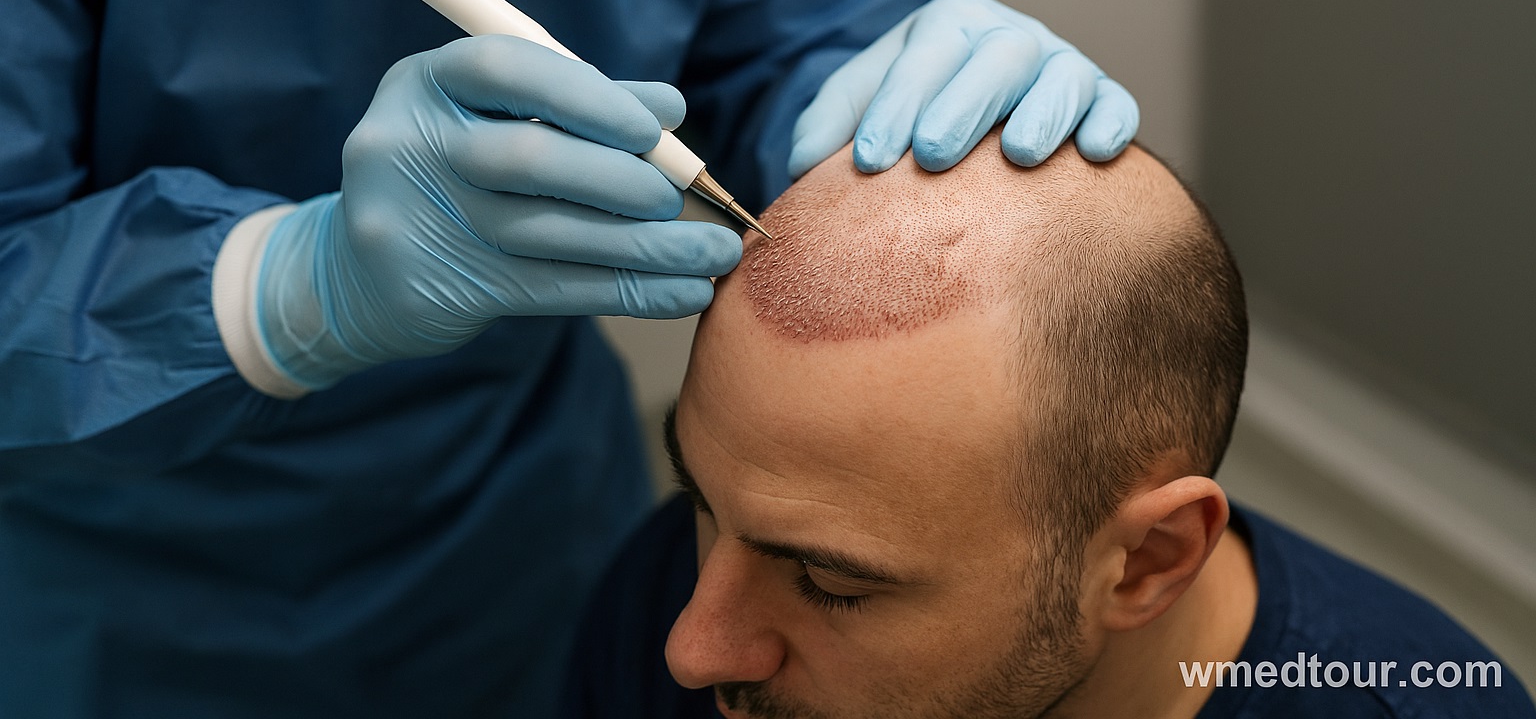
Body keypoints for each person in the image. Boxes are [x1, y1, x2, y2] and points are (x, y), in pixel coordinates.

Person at [0, 0, 1141, 715]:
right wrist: (282, 290)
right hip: (117, 586)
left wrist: (859, 125)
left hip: (530, 532)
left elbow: (802, 30)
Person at [566, 136, 1536, 718]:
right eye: (699, 495)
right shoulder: (673, 584)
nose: (694, 650)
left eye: (829, 581)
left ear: (1149, 558)